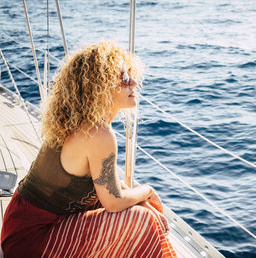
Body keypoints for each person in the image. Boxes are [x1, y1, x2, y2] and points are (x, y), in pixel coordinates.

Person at [1, 41, 176, 257]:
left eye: (130, 74)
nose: (133, 82)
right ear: (98, 87)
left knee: (139, 208)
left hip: (19, 228)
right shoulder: (97, 133)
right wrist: (148, 191)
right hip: (31, 241)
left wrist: (139, 199)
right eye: (122, 78)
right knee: (142, 219)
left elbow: (106, 188)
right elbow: (113, 202)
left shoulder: (76, 123)